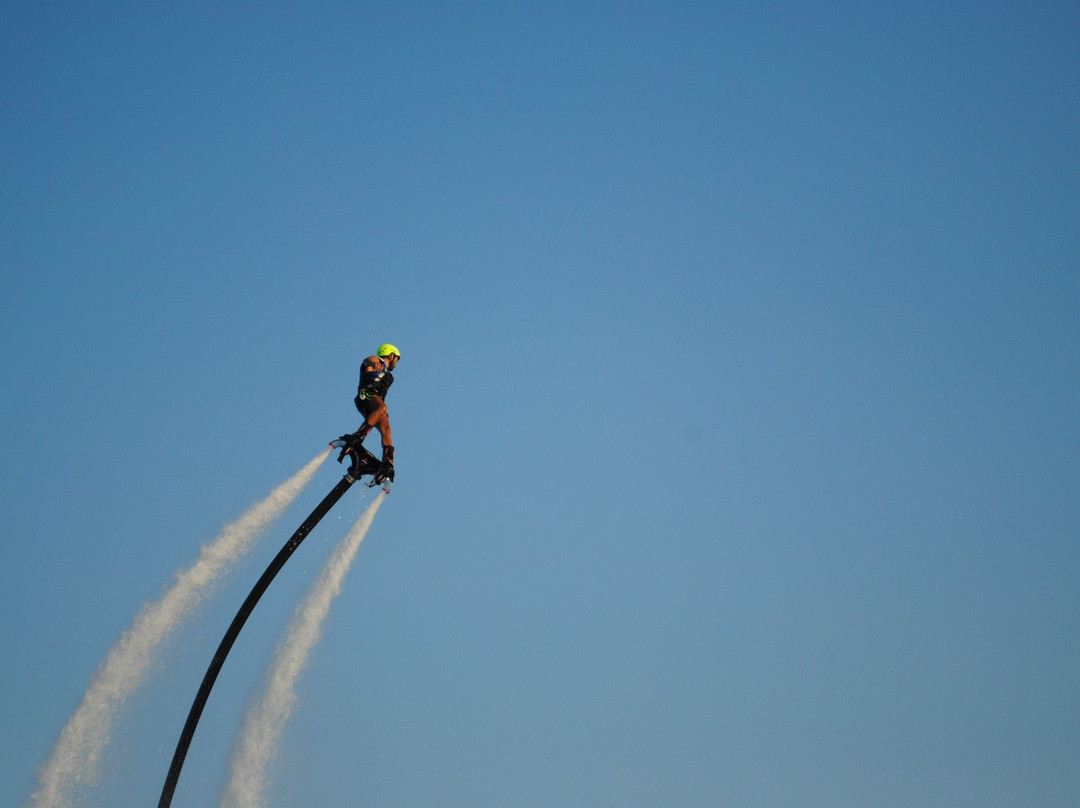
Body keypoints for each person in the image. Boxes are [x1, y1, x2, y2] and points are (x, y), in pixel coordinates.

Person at [339, 343, 400, 479]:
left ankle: (388, 463)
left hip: (375, 405)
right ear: (391, 355)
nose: (396, 364)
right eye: (396, 359)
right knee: (382, 407)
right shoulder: (376, 361)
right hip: (365, 396)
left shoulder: (389, 375)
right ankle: (358, 436)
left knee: (387, 429)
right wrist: (376, 362)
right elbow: (367, 360)